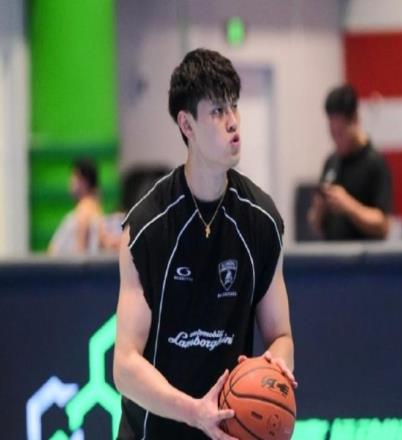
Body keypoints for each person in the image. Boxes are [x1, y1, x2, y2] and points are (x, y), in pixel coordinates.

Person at [113, 48, 295, 439]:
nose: (233, 122)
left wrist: (277, 369)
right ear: (187, 124)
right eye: (217, 111)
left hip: (228, 432)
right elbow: (125, 366)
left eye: (234, 106)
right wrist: (194, 412)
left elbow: (280, 336)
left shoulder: (262, 221)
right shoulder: (146, 228)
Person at [307, 84, 393, 241]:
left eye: (340, 133)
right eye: (333, 133)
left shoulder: (375, 163)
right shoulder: (331, 162)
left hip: (365, 255)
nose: (336, 140)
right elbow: (315, 223)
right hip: (331, 253)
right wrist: (318, 210)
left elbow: (383, 226)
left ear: (355, 120)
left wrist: (348, 205)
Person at [48, 158, 103, 255]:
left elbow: (80, 252)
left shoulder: (84, 211)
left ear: (83, 181)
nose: (70, 182)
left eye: (73, 177)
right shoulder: (96, 209)